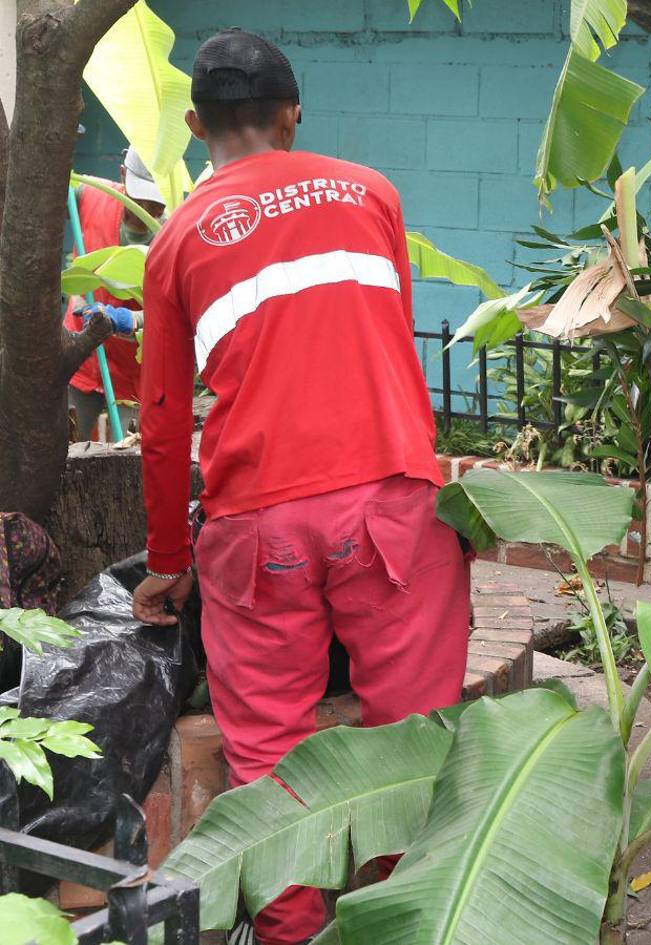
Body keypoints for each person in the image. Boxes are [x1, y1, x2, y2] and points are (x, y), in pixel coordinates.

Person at [131, 29, 470, 945]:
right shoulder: (372, 194)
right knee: (412, 745)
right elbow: (387, 340)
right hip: (392, 508)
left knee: (272, 760)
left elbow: (162, 422)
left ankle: (291, 934)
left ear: (197, 125)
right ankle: (406, 921)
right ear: (293, 115)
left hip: (258, 527)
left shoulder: (173, 241)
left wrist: (168, 562)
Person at [64, 147, 166, 439]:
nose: (148, 207)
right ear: (123, 175)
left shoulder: (170, 233)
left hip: (131, 377)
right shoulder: (91, 195)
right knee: (64, 447)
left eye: (156, 201)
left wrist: (130, 318)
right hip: (78, 357)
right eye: (141, 196)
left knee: (128, 454)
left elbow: (175, 312)